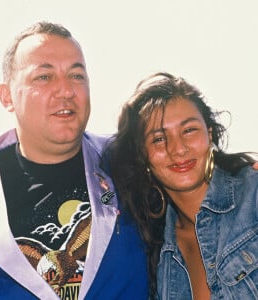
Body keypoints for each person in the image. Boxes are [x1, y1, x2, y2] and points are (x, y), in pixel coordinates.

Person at [0, 21, 149, 300]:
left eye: (76, 76)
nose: (66, 90)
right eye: (44, 77)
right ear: (7, 96)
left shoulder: (134, 163)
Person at [105, 72, 258, 299]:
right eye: (158, 139)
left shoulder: (252, 196)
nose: (177, 149)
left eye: (189, 130)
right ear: (142, 157)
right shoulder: (156, 252)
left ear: (209, 134)